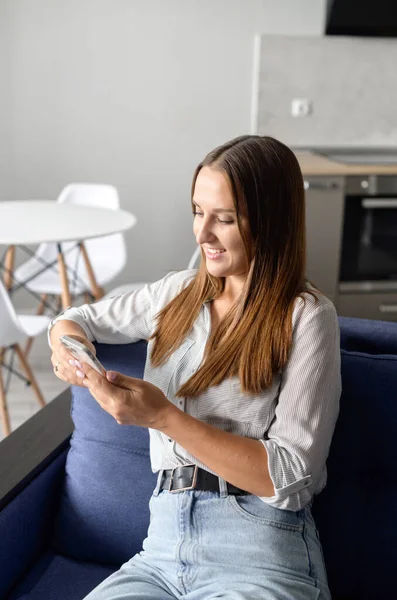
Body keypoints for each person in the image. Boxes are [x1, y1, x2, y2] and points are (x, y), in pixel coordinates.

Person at [49, 135, 341, 600]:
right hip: (161, 549)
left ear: (273, 221)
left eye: (224, 219)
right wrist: (73, 354)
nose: (202, 234)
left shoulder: (306, 315)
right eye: (197, 211)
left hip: (258, 553)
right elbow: (74, 319)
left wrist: (163, 417)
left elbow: (289, 476)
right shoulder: (175, 294)